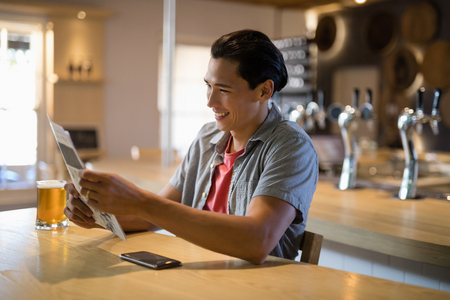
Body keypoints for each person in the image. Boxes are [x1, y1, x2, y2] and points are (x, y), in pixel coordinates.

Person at [64, 29, 318, 265]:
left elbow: (256, 240)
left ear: (264, 91)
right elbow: (149, 216)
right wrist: (95, 216)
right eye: (208, 86)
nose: (210, 101)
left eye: (223, 90)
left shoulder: (290, 146)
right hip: (195, 276)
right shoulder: (207, 137)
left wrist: (139, 200)